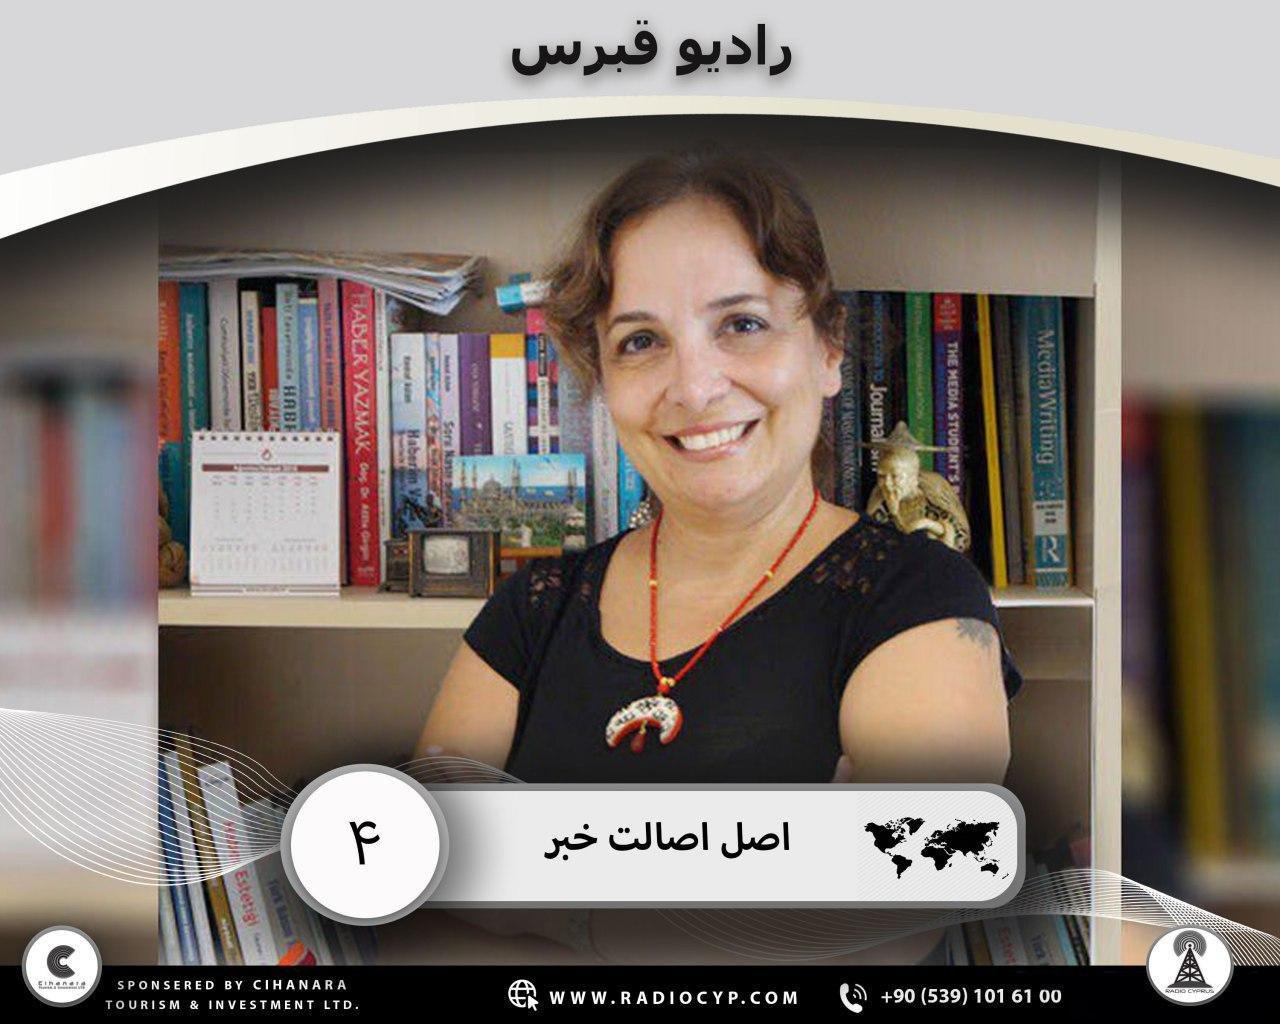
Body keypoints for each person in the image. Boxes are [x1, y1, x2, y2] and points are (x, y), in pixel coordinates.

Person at [410, 146, 1021, 961]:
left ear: (828, 348)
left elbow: (882, 929)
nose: (695, 388)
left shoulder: (917, 598)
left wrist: (551, 904)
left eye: (742, 324)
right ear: (604, 382)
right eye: (640, 341)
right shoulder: (533, 608)